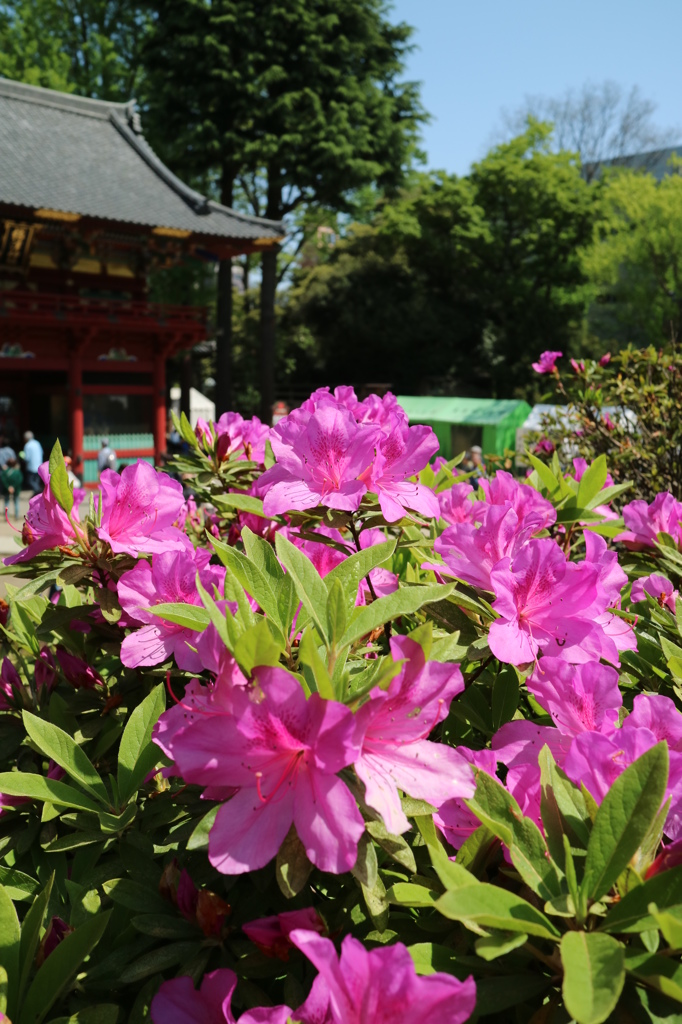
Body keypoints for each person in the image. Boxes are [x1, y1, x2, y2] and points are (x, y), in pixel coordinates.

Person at [22, 431, 43, 496]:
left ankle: (38, 490)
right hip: (39, 466)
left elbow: (27, 458)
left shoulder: (27, 445)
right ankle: (37, 493)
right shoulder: (37, 443)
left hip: (31, 467)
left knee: (30, 481)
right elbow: (42, 453)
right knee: (36, 481)